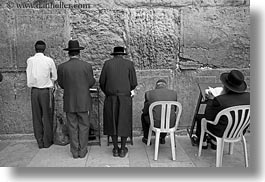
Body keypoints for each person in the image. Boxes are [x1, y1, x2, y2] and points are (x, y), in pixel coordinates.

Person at [192, 70, 250, 149]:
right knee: (221, 118)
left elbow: (208, 116)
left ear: (226, 86)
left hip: (220, 132)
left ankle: (203, 142)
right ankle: (214, 142)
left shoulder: (220, 100)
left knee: (200, 117)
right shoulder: (250, 98)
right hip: (239, 131)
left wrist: (211, 100)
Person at [57, 40, 95, 158]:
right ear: (79, 53)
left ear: (69, 53)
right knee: (84, 126)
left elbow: (61, 84)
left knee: (72, 126)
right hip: (83, 100)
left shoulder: (62, 67)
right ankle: (82, 151)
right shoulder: (87, 66)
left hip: (69, 101)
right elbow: (91, 83)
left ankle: (74, 151)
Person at [99, 46, 137, 158]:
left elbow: (102, 82)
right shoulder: (129, 64)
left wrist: (108, 92)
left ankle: (115, 148)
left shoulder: (107, 64)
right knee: (124, 122)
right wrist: (125, 90)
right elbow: (133, 82)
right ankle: (123, 148)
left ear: (114, 54)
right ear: (123, 54)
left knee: (112, 122)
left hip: (111, 97)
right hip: (124, 97)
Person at [26, 40, 57, 149]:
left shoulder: (30, 60)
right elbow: (55, 77)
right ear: (44, 49)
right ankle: (47, 141)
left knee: (36, 117)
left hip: (34, 91)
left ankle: (39, 141)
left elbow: (28, 74)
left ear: (35, 49)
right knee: (47, 116)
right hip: (45, 91)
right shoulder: (49, 60)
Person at [141, 79, 178, 145]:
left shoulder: (149, 93)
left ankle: (146, 138)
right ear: (166, 86)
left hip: (155, 123)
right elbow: (175, 109)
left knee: (143, 116)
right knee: (166, 116)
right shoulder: (174, 94)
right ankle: (162, 137)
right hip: (171, 123)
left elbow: (145, 111)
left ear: (156, 86)